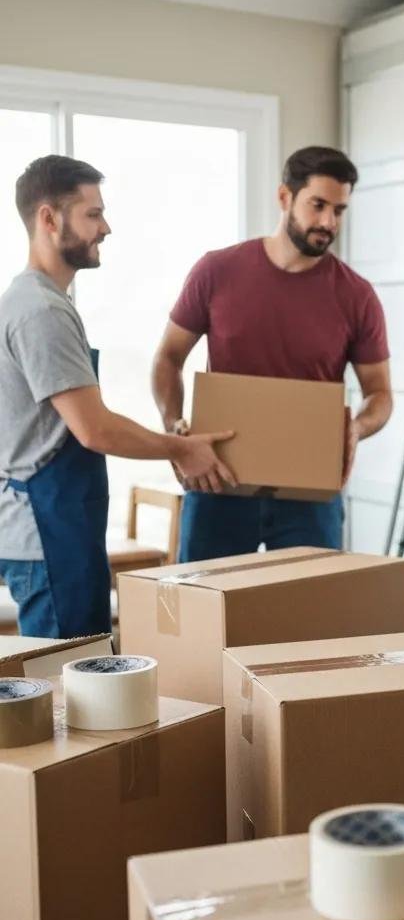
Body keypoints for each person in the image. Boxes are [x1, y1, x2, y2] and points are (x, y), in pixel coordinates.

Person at [0, 155, 234, 638]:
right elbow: (95, 428)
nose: (105, 228)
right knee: (64, 685)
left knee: (72, 679)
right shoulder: (40, 311)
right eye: (92, 214)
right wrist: (181, 446)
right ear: (48, 218)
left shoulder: (42, 301)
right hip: (48, 537)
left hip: (57, 529)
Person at [152, 145, 393, 561]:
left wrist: (355, 429)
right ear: (285, 197)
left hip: (311, 494)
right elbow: (168, 358)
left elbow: (381, 394)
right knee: (204, 618)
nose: (327, 222)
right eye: (317, 205)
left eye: (339, 210)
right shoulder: (216, 271)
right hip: (218, 484)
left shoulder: (356, 295)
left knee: (308, 621)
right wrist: (176, 431)